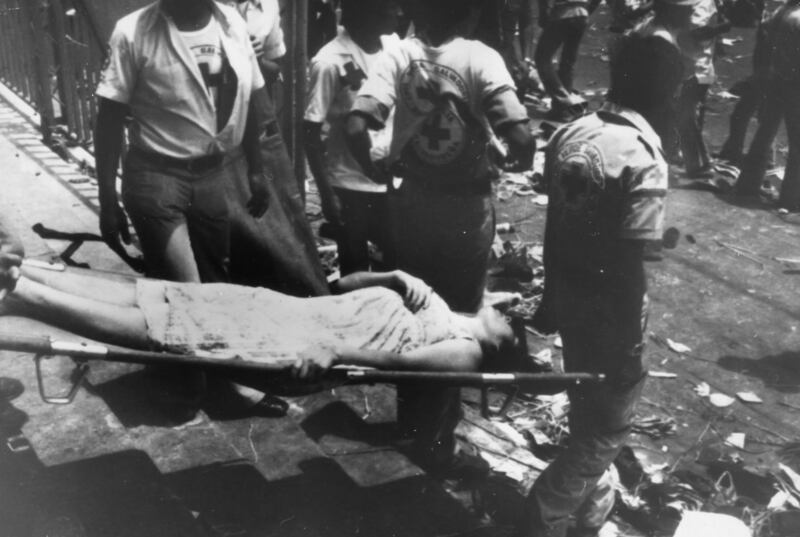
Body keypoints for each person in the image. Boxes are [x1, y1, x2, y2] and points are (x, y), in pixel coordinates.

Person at [345, 0, 535, 475]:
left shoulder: (396, 55)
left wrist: (374, 163)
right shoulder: (481, 57)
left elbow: (356, 125)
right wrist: (515, 160)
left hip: (410, 206)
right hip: (465, 212)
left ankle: (414, 423)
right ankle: (438, 440)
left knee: (415, 315)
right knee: (458, 325)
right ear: (469, 15)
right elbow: (523, 136)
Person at [523, 34, 684, 537]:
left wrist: (550, 297)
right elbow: (629, 260)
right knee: (608, 428)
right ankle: (544, 509)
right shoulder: (645, 158)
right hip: (611, 311)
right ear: (664, 91)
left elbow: (556, 225)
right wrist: (628, 343)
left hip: (571, 297)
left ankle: (590, 516)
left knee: (585, 413)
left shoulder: (571, 133)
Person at [1, 264, 520, 381]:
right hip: (286, 308)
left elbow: (394, 362)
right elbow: (341, 285)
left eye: (517, 326)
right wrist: (393, 275)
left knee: (169, 329)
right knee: (163, 296)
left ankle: (21, 296)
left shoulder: (465, 350)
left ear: (505, 348)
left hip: (298, 338)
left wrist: (335, 355)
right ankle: (20, 274)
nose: (511, 313)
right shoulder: (443, 308)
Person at [95, 0, 271, 284]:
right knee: (185, 286)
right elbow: (108, 121)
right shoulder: (132, 32)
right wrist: (107, 201)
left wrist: (256, 170)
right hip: (156, 176)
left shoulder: (232, 24)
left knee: (215, 281)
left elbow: (247, 97)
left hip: (212, 174)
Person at [304, 0, 403, 275]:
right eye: (390, 6)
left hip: (391, 179)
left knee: (397, 262)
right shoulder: (328, 61)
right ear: (366, 10)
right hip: (349, 184)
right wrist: (326, 194)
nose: (398, 12)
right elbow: (310, 133)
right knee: (356, 267)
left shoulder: (395, 48)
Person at [735, 0, 800, 210]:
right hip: (794, 84)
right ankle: (791, 199)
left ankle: (748, 184)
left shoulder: (782, 12)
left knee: (765, 132)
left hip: (777, 78)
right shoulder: (796, 17)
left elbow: (767, 40)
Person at [535, 0, 601, 121]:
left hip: (562, 13)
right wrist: (587, 11)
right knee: (568, 62)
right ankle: (562, 111)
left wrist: (543, 14)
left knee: (542, 58)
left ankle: (564, 102)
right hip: (582, 14)